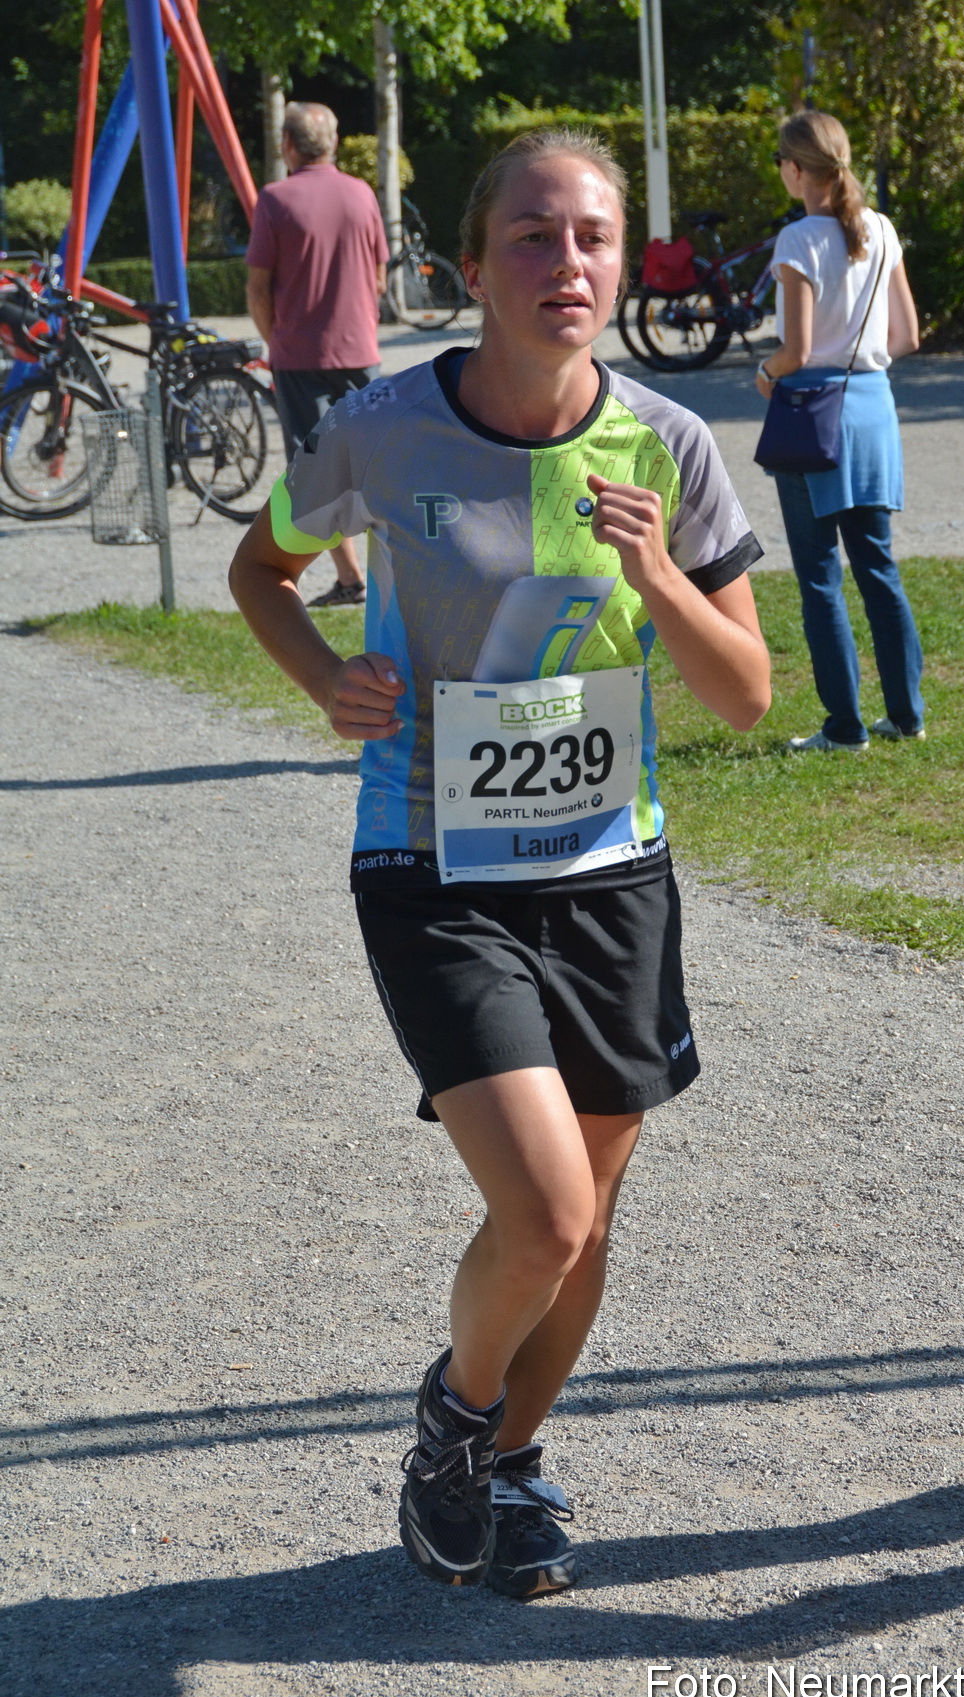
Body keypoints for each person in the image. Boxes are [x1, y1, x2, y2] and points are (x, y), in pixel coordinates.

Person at [229, 127, 770, 1601]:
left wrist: (659, 578)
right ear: (467, 268)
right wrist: (318, 672)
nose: (567, 264)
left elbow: (746, 693)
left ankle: (506, 1462)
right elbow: (258, 569)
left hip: (611, 875)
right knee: (540, 1208)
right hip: (433, 862)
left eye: (592, 237)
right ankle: (454, 1423)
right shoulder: (383, 431)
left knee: (587, 1214)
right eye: (531, 238)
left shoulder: (665, 442)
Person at [756, 109, 925, 751]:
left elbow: (794, 351)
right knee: (878, 567)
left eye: (781, 163)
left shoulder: (798, 241)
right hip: (873, 408)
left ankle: (845, 727)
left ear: (797, 170)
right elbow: (906, 336)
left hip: (812, 415)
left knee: (820, 574)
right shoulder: (880, 229)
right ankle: (906, 715)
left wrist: (766, 372)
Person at [246, 100, 388, 609]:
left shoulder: (275, 200)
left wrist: (275, 338)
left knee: (314, 472)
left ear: (287, 144)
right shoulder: (361, 194)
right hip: (359, 350)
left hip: (299, 355)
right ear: (332, 142)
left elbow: (258, 288)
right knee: (379, 463)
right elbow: (378, 278)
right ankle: (388, 570)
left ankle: (350, 578)